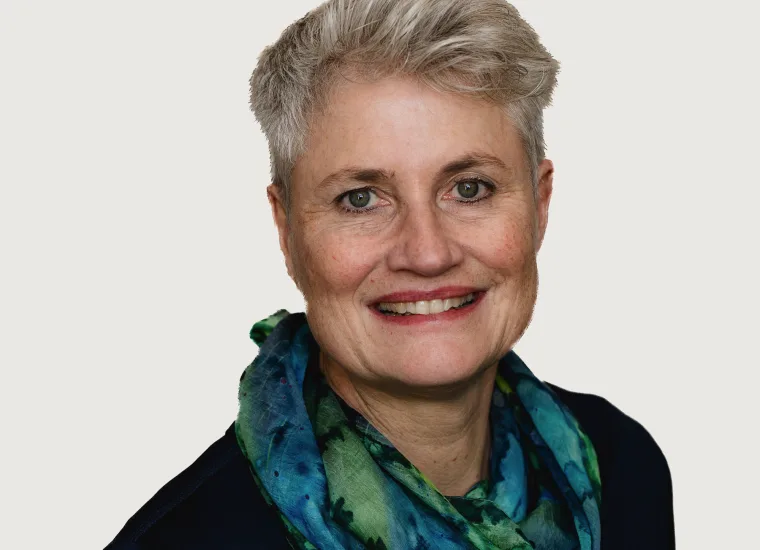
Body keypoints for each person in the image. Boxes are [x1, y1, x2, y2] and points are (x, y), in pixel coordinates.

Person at [107, 0, 675, 548]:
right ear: (286, 230)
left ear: (540, 205)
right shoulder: (185, 541)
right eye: (360, 198)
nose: (427, 253)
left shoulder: (624, 469)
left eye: (469, 189)